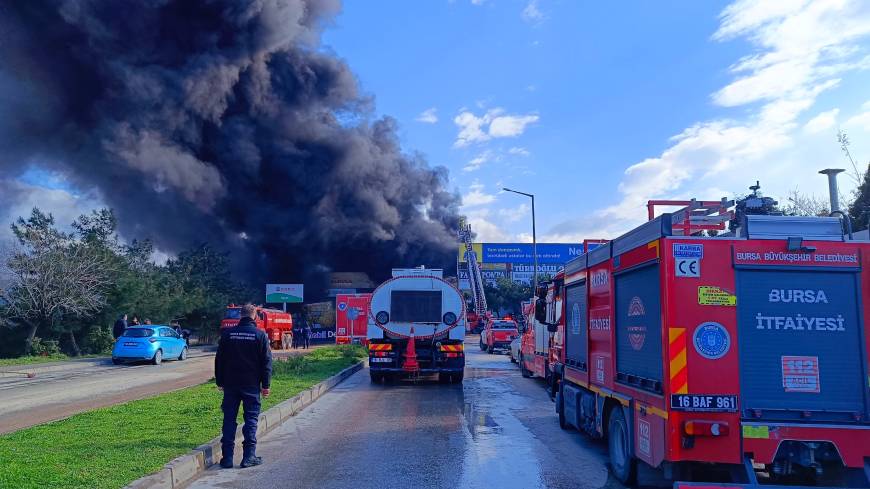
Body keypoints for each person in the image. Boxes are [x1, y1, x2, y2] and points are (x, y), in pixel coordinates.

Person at [214, 303, 272, 469]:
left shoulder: (228, 334)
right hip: (251, 386)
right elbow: (266, 363)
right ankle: (249, 456)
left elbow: (219, 360)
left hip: (231, 385)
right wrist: (265, 385)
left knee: (229, 420)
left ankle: (227, 459)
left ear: (241, 315)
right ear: (254, 316)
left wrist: (220, 382)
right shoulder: (260, 335)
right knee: (251, 420)